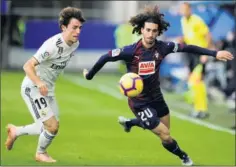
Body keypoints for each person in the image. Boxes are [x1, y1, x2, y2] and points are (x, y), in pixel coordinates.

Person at [83, 5, 233, 166]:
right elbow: (105, 57)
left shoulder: (163, 47)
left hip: (157, 97)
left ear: (158, 31)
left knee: (165, 134)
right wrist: (90, 75)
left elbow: (188, 47)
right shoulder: (130, 51)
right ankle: (184, 157)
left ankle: (130, 123)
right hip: (139, 102)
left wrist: (215, 53)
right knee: (165, 134)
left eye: (154, 31)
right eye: (148, 30)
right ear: (141, 30)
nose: (150, 34)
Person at [5, 6, 85, 163]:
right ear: (64, 27)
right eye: (74, 28)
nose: (78, 32)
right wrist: (39, 82)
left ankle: (16, 131)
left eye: (80, 28)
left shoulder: (75, 44)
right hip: (33, 87)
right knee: (51, 126)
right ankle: (40, 153)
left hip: (48, 90)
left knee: (48, 127)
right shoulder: (52, 45)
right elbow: (27, 66)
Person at [179, 2, 213, 118]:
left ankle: (202, 109)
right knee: (194, 82)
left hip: (200, 54)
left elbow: (208, 35)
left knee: (196, 81)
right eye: (182, 9)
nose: (184, 11)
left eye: (185, 9)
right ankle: (198, 108)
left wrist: (206, 53)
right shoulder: (183, 21)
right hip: (191, 55)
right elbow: (189, 36)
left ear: (190, 10)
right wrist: (181, 40)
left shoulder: (197, 20)